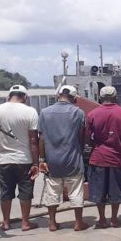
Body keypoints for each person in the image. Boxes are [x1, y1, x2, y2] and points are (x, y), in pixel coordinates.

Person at [0, 84, 40, 232]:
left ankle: (5, 222)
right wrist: (36, 162)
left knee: (5, 192)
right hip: (24, 159)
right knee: (25, 191)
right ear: (25, 97)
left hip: (4, 159)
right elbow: (33, 140)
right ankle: (25, 223)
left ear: (9, 96)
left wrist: (3, 144)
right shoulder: (30, 111)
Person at [38, 85, 88, 232]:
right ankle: (78, 223)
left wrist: (42, 160)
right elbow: (81, 136)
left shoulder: (44, 113)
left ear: (58, 95)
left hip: (52, 161)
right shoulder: (78, 113)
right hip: (73, 159)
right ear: (73, 98)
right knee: (76, 192)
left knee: (52, 192)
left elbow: (41, 138)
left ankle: (52, 223)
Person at [86, 86, 121, 229]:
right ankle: (114, 219)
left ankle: (101, 219)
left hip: (98, 157)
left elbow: (87, 138)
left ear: (100, 97)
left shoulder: (92, 114)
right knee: (116, 190)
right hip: (117, 158)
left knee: (99, 190)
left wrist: (96, 144)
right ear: (115, 97)